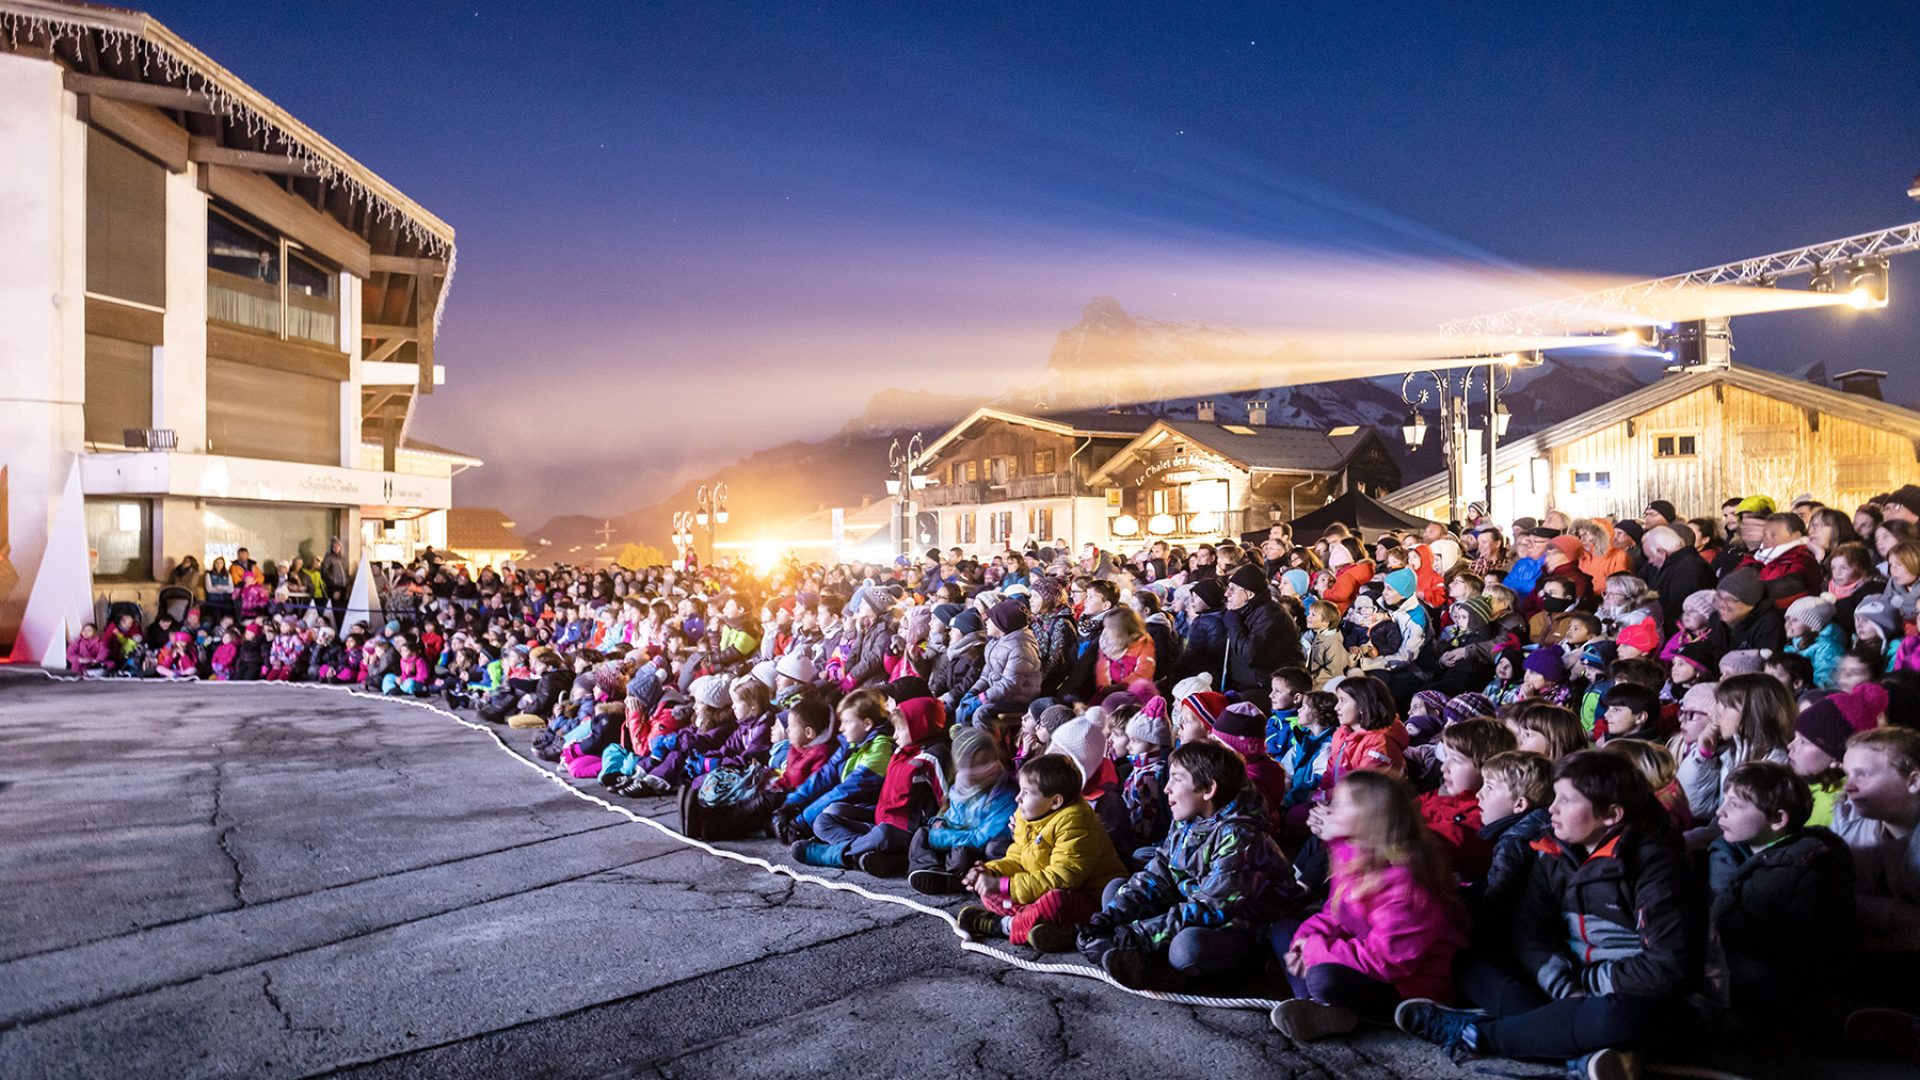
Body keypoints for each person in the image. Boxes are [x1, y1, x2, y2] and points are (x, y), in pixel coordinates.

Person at [1396, 751, 1708, 1077]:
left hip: (1651, 1000)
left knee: (1615, 1018)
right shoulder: (1554, 849)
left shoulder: (1656, 866)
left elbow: (1669, 968)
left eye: (1567, 801)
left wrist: (1583, 986)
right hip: (1574, 984)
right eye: (1554, 796)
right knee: (1470, 962)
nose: (1551, 809)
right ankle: (1568, 1040)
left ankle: (1479, 1034)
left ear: (1611, 815)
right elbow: (1531, 928)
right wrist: (1563, 987)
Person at [1268, 771, 1469, 1041]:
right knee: (1285, 930)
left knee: (1323, 976)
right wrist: (1305, 939)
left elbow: (1386, 960)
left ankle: (1326, 1005)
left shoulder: (1405, 883)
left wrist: (1315, 950)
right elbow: (1335, 913)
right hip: (1362, 953)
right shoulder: (1352, 854)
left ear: (1371, 816)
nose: (1329, 808)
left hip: (1407, 985)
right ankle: (1318, 1007)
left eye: (1341, 804)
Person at [1082, 741, 1297, 990]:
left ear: (1208, 789)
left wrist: (1134, 935)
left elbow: (1210, 909)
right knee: (1116, 891)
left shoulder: (1240, 837)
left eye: (1177, 779)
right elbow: (1158, 875)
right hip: (1196, 909)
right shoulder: (1189, 820)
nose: (1166, 789)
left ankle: (1167, 971)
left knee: (1187, 948)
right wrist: (1108, 918)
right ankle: (1135, 959)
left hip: (1245, 929)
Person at [1708, 761, 1855, 1018]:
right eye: (1724, 801)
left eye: (1735, 805)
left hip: (1787, 982)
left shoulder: (1807, 869)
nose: (1721, 811)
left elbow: (1807, 952)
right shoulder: (1737, 851)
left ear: (1777, 819)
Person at [957, 753, 1128, 952]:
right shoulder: (1027, 815)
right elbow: (1017, 858)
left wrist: (1004, 885)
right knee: (990, 892)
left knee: (1055, 902)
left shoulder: (1077, 822)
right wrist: (990, 873)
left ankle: (1004, 925)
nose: (1017, 797)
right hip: (1038, 888)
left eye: (1026, 792)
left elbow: (1061, 879)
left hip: (1087, 899)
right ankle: (1044, 927)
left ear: (1055, 802)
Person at [795, 694, 947, 874]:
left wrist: (935, 829)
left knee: (883, 834)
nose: (895, 735)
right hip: (879, 820)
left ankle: (834, 854)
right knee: (825, 818)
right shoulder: (901, 751)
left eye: (900, 729)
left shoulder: (931, 757)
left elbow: (945, 800)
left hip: (906, 832)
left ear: (919, 727)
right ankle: (869, 854)